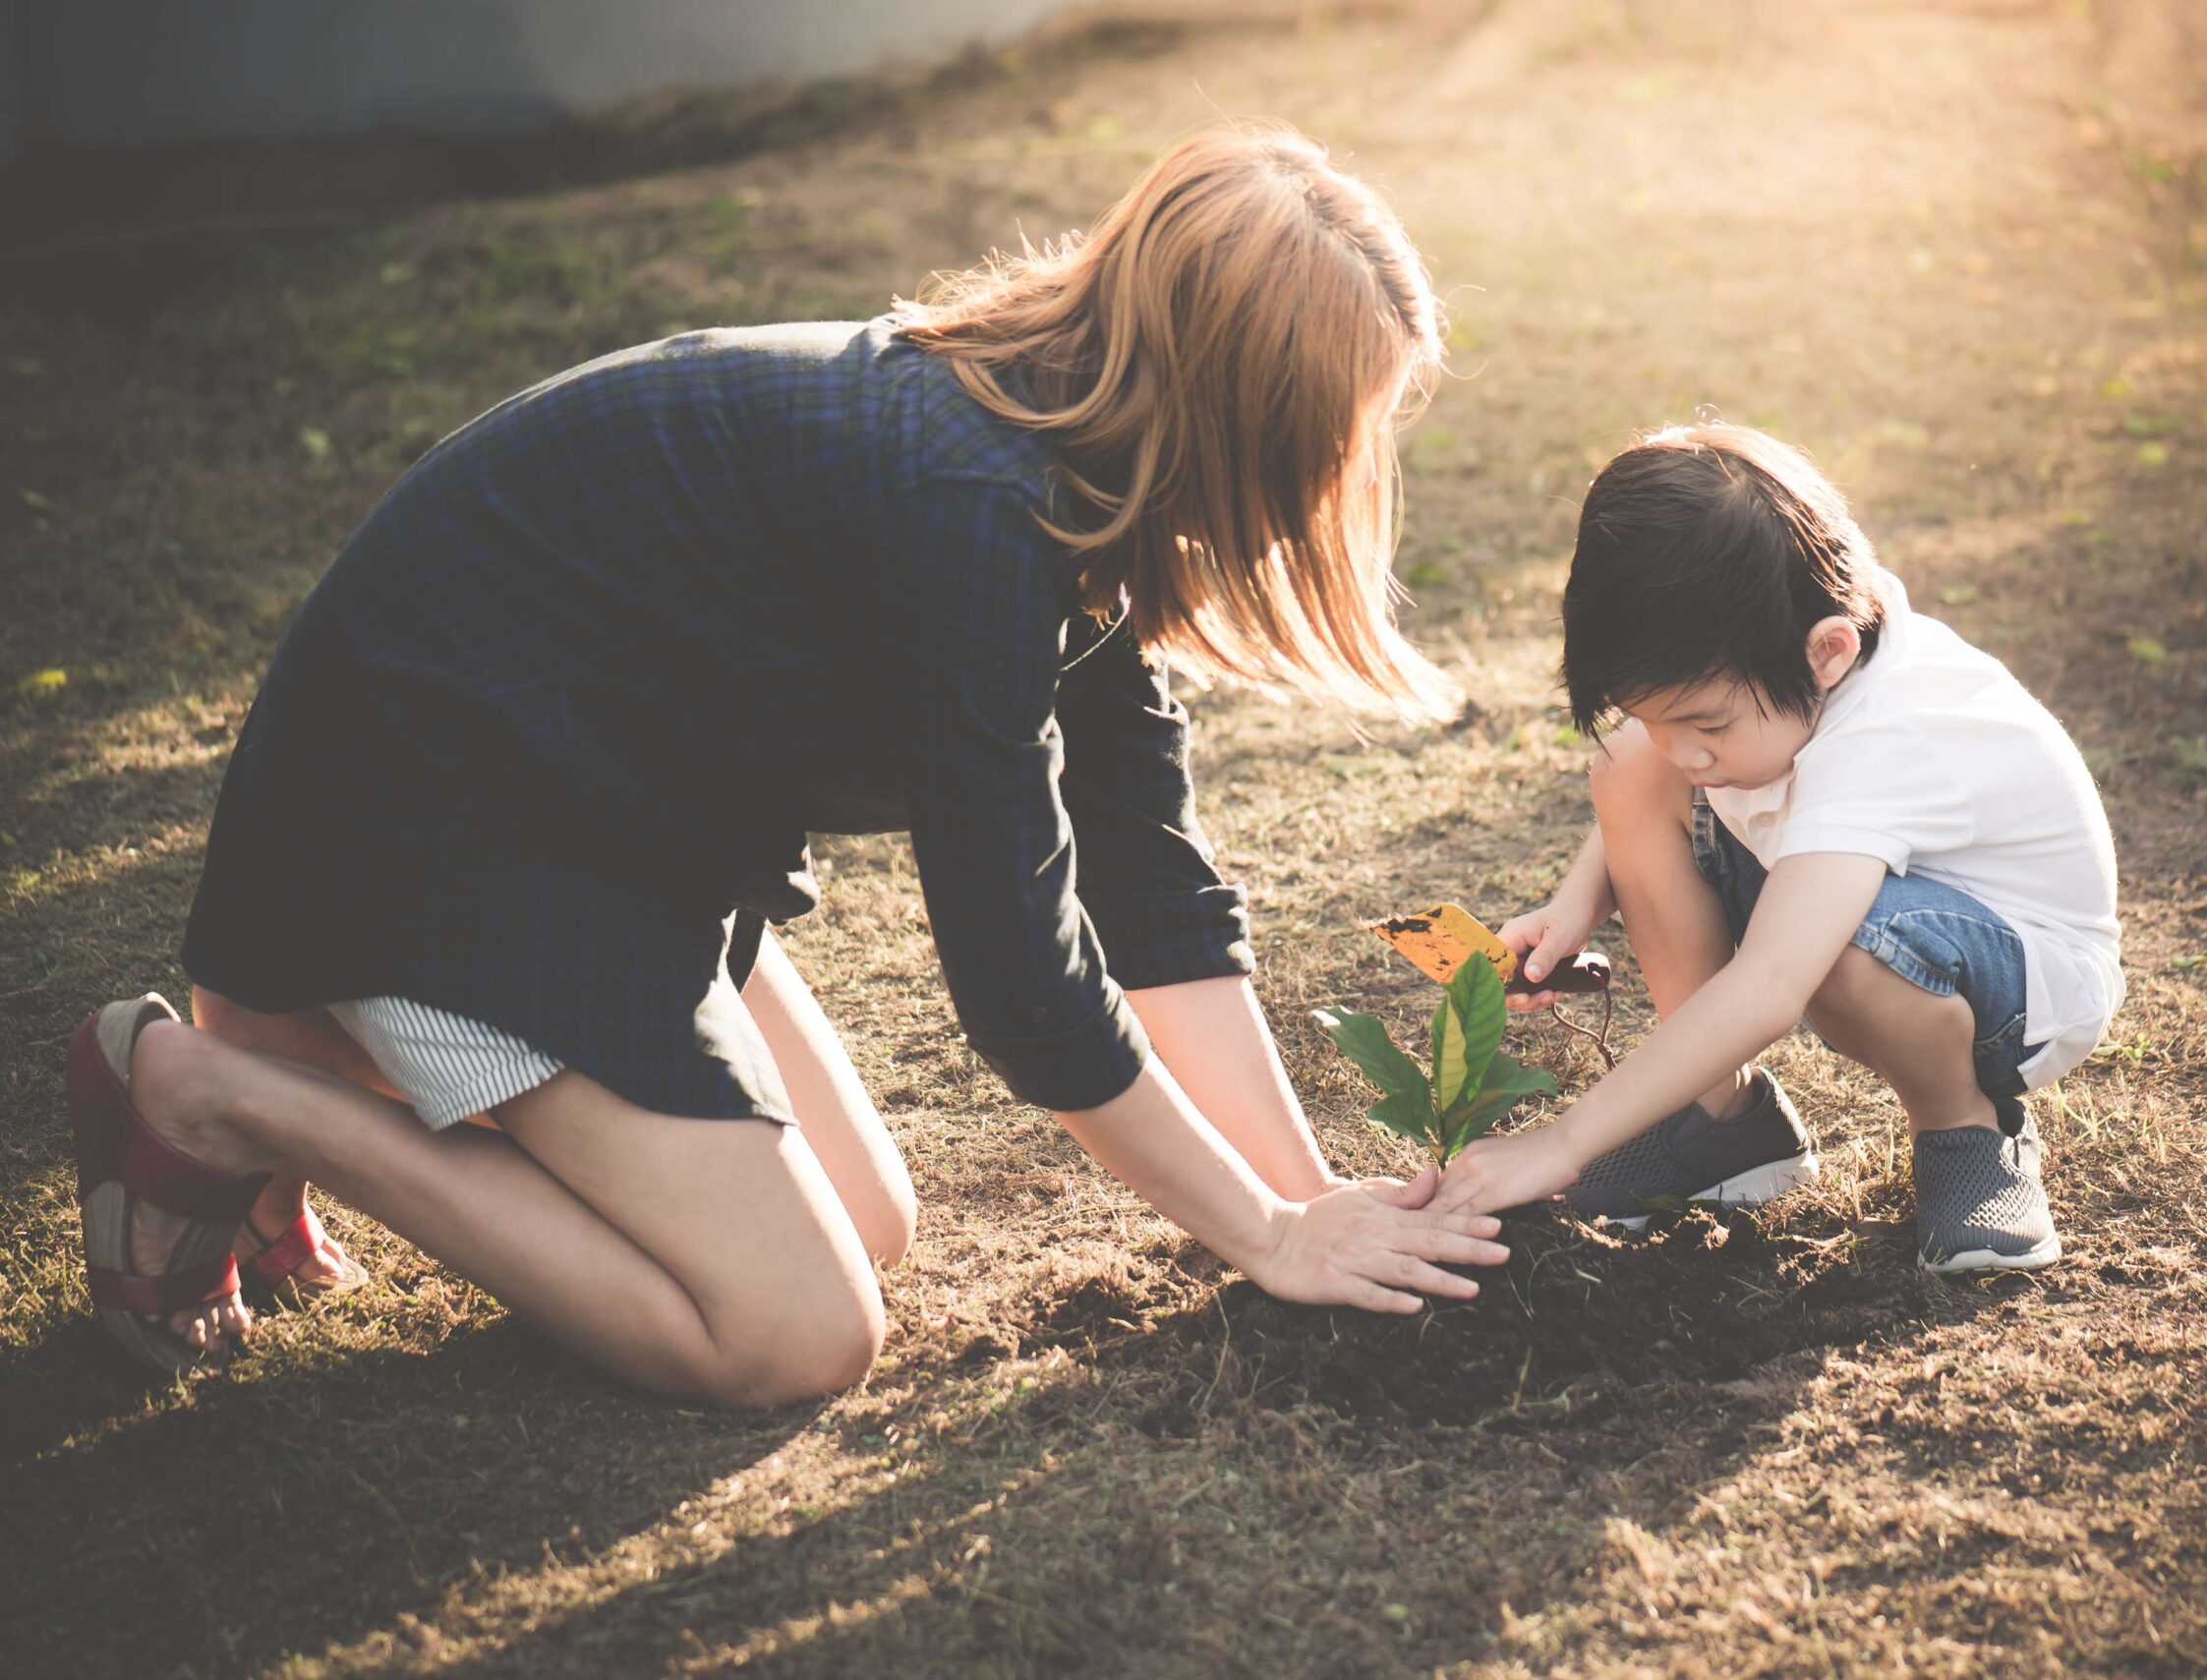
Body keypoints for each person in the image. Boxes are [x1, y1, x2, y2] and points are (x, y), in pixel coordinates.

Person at [65, 124, 1511, 1399]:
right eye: (1331, 439)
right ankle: (226, 1094)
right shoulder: (977, 506)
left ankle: (307, 1073)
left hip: (613, 825)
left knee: (866, 1228)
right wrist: (1258, 1238)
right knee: (791, 1336)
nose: (1332, 482)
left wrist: (1310, 1201)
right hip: (435, 833)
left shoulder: (1073, 474)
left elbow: (1152, 896)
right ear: (1239, 419)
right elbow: (1028, 983)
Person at [1429, 424, 2122, 1273]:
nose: (1681, 749)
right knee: (1627, 771)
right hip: (1876, 905)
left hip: (2016, 982)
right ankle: (1723, 1116)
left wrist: (1564, 1142)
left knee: (1847, 945)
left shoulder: (1888, 740)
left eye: (1704, 724)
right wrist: (1582, 897)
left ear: (1826, 652)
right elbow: (1665, 756)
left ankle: (1966, 1132)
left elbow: (1769, 987)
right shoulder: (1790, 671)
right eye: (1651, 713)